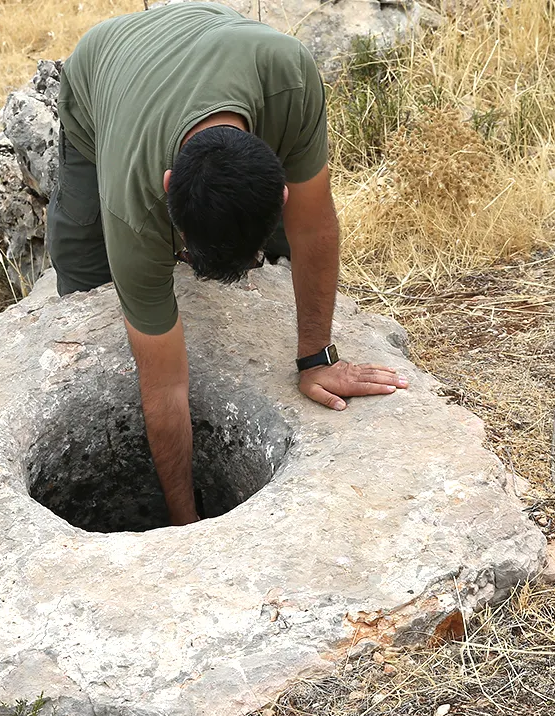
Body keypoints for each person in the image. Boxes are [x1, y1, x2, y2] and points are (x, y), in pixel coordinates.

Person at [48, 1, 410, 526]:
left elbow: (313, 224)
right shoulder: (132, 205)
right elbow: (166, 384)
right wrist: (187, 525)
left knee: (280, 248)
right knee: (87, 280)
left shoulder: (290, 76)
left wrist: (317, 358)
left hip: (215, 40)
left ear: (280, 193)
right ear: (166, 189)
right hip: (103, 68)